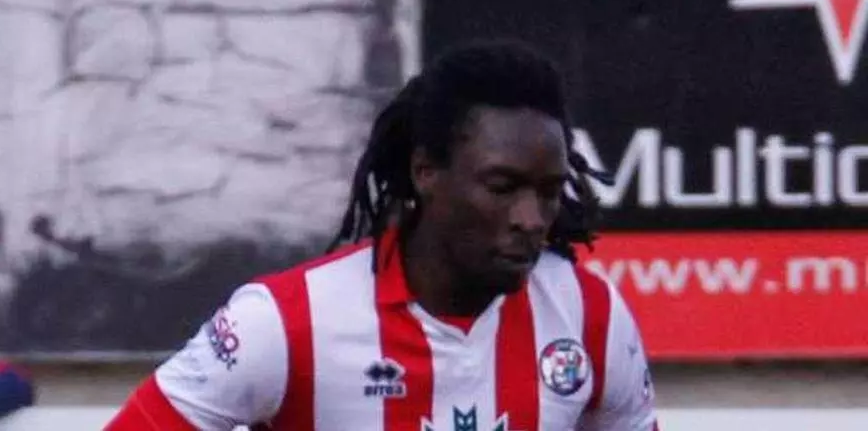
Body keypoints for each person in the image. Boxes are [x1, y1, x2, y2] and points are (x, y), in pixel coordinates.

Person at [106, 40, 660, 430]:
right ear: (426, 171)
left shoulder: (590, 315)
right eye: (502, 187)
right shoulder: (285, 322)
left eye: (548, 191)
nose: (532, 218)